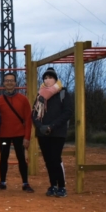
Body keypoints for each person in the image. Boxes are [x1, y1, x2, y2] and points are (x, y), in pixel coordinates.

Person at [32, 67, 73, 198]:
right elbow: (33, 114)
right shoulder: (40, 95)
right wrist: (40, 126)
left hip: (57, 132)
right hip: (42, 133)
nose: (47, 80)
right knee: (48, 160)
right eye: (45, 78)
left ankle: (61, 186)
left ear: (55, 79)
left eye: (50, 77)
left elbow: (67, 112)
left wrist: (52, 126)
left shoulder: (63, 93)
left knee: (56, 159)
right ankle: (53, 185)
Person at [0, 73, 34, 193]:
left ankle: (25, 183)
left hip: (19, 135)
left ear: (15, 83)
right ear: (3, 83)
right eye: (7, 80)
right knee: (3, 158)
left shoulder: (23, 99)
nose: (9, 83)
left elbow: (28, 119)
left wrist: (27, 137)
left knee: (21, 159)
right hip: (4, 135)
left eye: (11, 80)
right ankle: (2, 182)